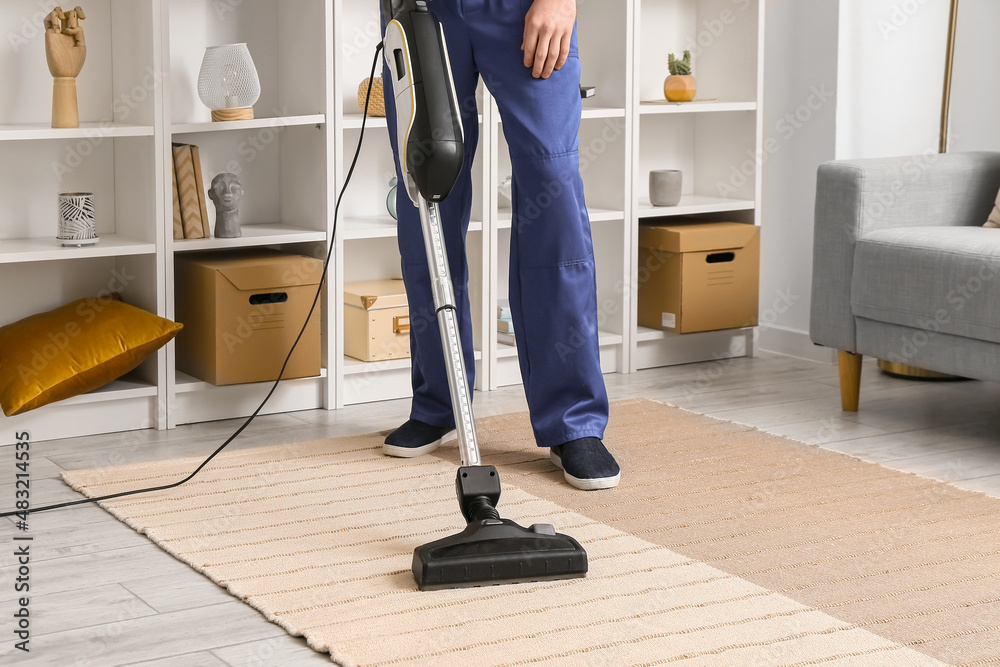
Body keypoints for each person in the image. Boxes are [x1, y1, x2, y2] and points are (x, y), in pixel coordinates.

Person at [379, 0, 620, 490]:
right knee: (426, 191)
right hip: (426, 9)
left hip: (523, 7)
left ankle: (572, 420)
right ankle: (437, 400)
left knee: (553, 185)